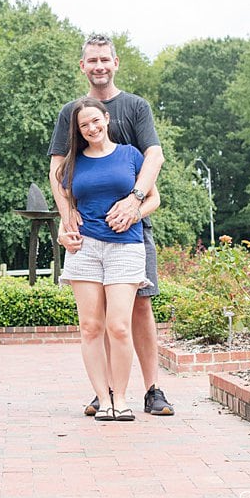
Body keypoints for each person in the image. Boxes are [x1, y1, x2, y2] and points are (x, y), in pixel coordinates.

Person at [48, 33, 175, 417]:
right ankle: (104, 391)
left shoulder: (135, 107)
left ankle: (152, 388)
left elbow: (155, 155)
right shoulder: (71, 112)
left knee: (138, 307)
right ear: (83, 67)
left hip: (133, 229)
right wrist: (66, 218)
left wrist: (135, 202)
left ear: (115, 62)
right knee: (97, 316)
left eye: (105, 59)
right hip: (89, 233)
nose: (99, 66)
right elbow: (58, 169)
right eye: (92, 60)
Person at [54, 97, 160, 421]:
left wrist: (133, 213)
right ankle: (104, 399)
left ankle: (123, 398)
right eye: (84, 125)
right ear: (79, 130)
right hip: (84, 250)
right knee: (90, 327)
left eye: (95, 121)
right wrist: (62, 232)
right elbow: (69, 208)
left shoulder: (130, 155)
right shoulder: (72, 165)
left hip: (125, 248)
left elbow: (154, 198)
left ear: (107, 119)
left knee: (118, 326)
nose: (91, 128)